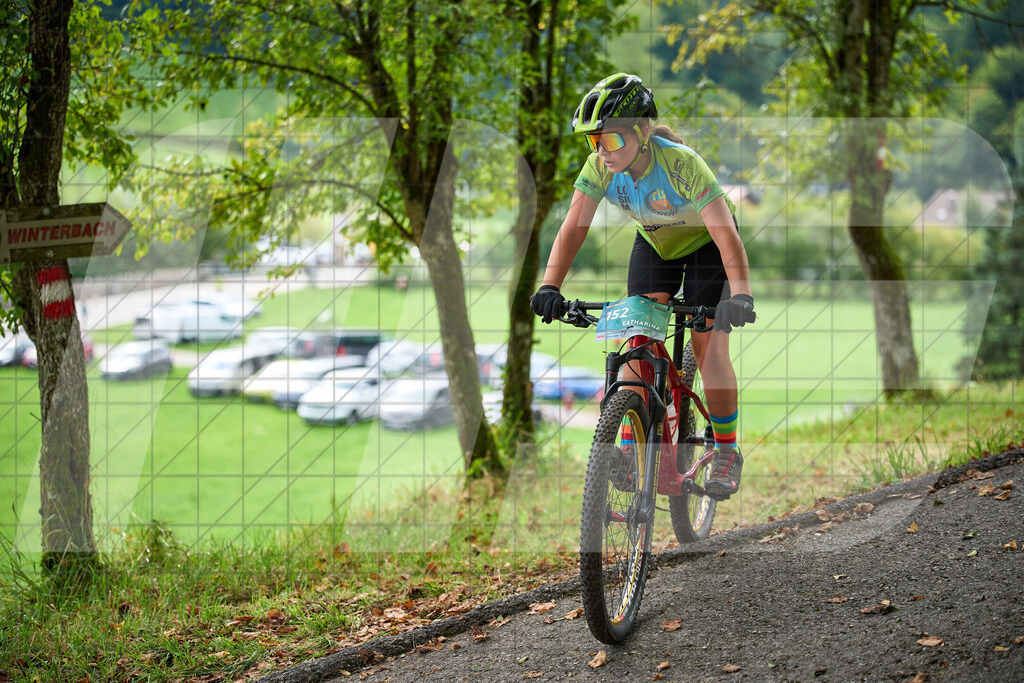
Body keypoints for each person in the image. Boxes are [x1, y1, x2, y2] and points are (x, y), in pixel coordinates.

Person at [529, 73, 755, 501]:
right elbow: (574, 227)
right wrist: (549, 286)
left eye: (611, 140)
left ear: (642, 132)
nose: (602, 152)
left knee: (708, 347)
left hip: (707, 246)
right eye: (593, 142)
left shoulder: (681, 164)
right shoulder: (600, 167)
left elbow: (727, 236)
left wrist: (740, 295)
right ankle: (632, 438)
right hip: (655, 245)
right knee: (638, 338)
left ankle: (726, 450)